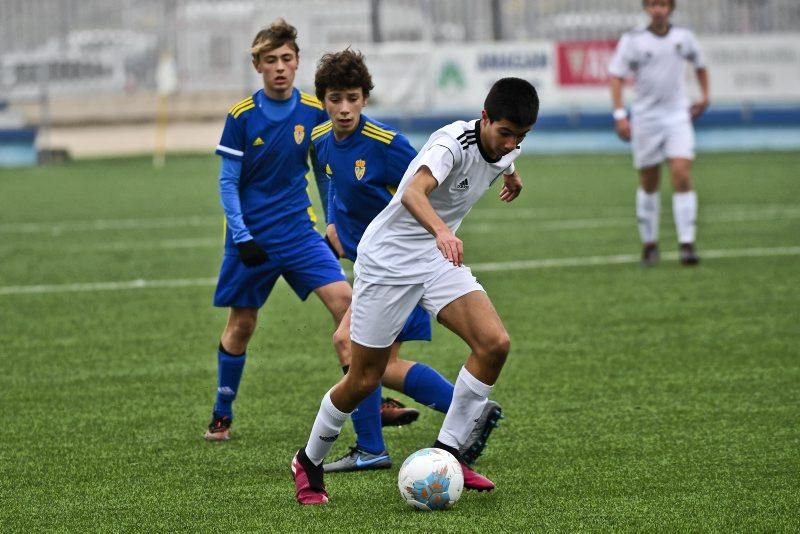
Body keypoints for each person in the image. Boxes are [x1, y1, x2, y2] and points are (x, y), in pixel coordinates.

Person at [291, 77, 539, 505]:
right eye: (504, 134)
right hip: (388, 261)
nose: (510, 144)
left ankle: (450, 451)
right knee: (364, 376)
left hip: (434, 259)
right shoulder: (451, 144)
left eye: (520, 137)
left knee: (493, 343)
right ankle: (308, 462)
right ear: (485, 119)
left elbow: (504, 159)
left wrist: (513, 175)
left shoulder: (507, 147)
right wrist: (442, 230)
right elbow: (413, 192)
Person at [203, 19, 428, 441]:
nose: (280, 67)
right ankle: (222, 412)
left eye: (287, 59)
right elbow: (228, 182)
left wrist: (331, 221)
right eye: (271, 60)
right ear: (258, 66)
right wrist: (241, 233)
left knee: (346, 303)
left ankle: (371, 400)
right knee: (242, 325)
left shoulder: (314, 110)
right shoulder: (242, 116)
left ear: (297, 61)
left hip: (299, 233)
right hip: (250, 237)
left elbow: (326, 172)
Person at [310, 49, 503, 472]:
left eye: (354, 98)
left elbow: (433, 180)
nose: (344, 109)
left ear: (365, 99)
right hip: (374, 265)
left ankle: (384, 444)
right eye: (335, 98)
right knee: (374, 363)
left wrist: (437, 232)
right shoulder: (321, 142)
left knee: (357, 353)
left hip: (409, 265)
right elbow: (326, 180)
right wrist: (331, 221)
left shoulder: (389, 145)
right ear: (322, 99)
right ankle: (449, 420)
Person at [609, 0, 709, 267]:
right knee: (649, 182)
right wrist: (620, 115)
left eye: (663, 4)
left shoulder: (683, 37)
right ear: (646, 8)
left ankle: (687, 244)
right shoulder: (633, 40)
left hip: (678, 116)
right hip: (645, 119)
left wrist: (705, 95)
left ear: (671, 8)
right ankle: (650, 245)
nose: (658, 9)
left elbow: (700, 64)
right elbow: (616, 76)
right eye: (653, 4)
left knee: (682, 174)